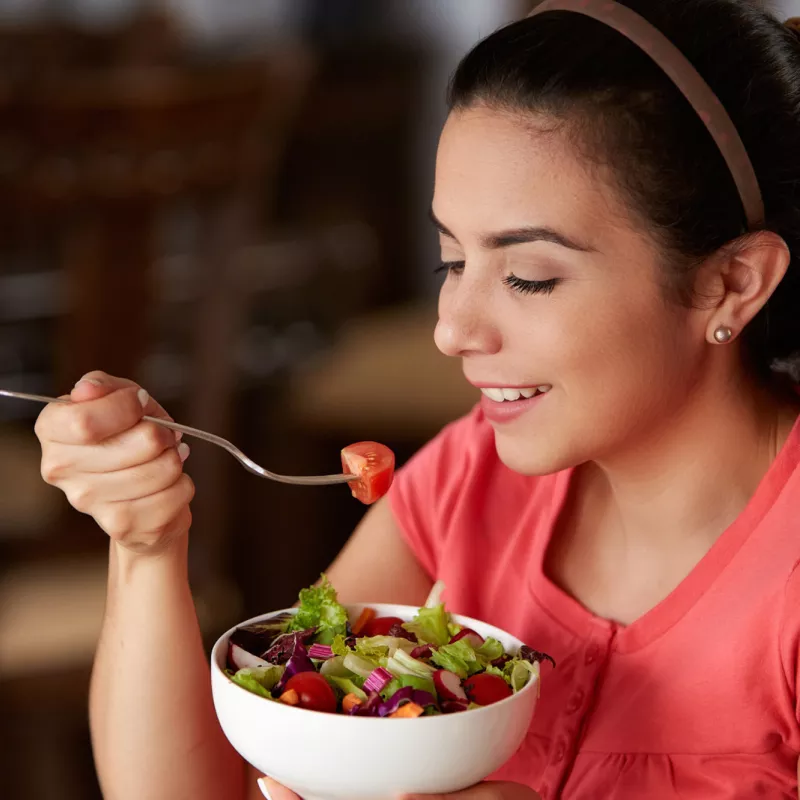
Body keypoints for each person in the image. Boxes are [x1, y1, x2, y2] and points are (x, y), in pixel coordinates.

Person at [33, 0, 800, 797]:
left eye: (527, 275)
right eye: (450, 262)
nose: (451, 329)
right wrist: (149, 544)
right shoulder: (472, 479)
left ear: (729, 284)